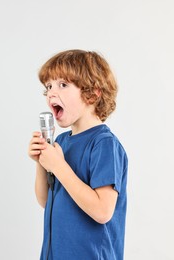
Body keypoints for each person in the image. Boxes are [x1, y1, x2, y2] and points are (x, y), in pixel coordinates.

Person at [28, 49, 128, 259]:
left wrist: (58, 166)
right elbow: (46, 201)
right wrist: (42, 162)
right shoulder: (61, 143)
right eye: (48, 87)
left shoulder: (104, 144)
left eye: (63, 85)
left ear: (92, 93)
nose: (52, 93)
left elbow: (102, 211)